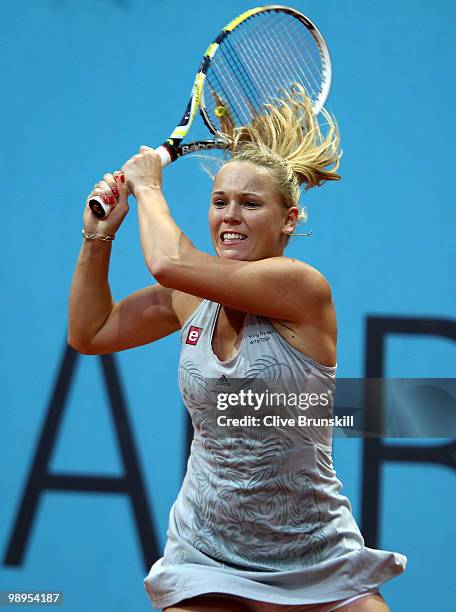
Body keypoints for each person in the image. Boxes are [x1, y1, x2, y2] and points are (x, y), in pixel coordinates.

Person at [68, 86, 407, 611]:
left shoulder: (302, 287)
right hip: (204, 553)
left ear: (289, 220)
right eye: (220, 201)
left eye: (251, 204)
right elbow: (91, 332)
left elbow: (167, 262)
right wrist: (97, 239)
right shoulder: (189, 295)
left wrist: (148, 187)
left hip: (316, 553)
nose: (230, 216)